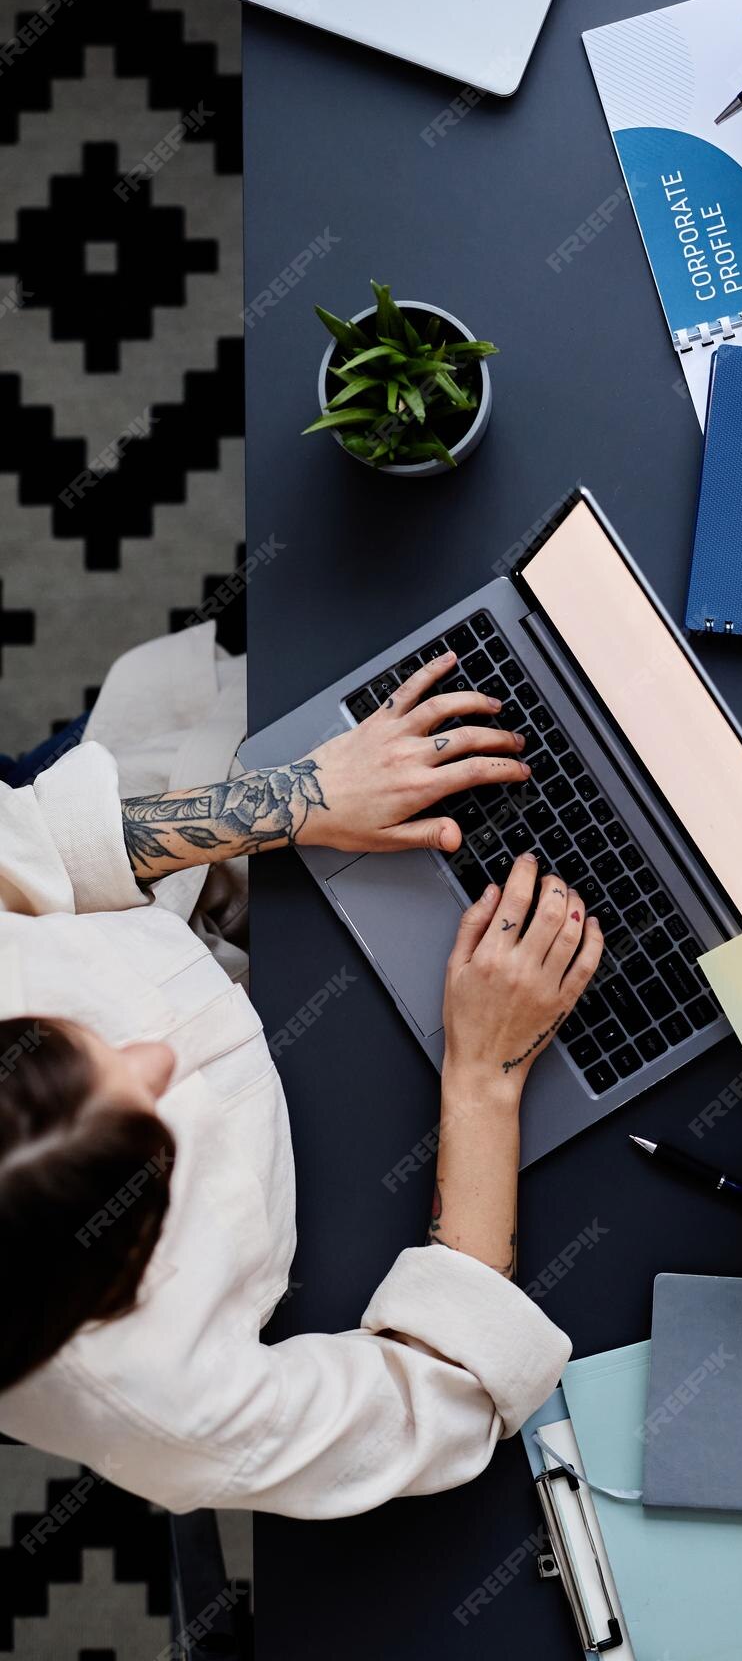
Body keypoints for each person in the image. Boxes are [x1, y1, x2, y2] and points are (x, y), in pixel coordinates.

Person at [0, 620, 601, 1515]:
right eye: (150, 1146)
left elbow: (34, 843)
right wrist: (484, 1076)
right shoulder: (156, 1407)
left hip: (169, 868)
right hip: (336, 1136)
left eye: (61, 1035)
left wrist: (296, 799)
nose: (157, 1055)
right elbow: (434, 1395)